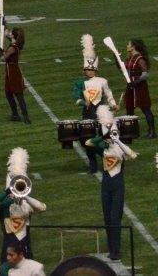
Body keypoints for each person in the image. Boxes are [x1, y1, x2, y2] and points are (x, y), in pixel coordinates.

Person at [85, 105, 137, 261]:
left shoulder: (121, 150)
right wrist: (103, 136)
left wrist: (117, 140)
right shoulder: (104, 148)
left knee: (115, 218)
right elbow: (88, 143)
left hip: (117, 185)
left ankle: (116, 250)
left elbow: (132, 155)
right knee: (107, 219)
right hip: (106, 185)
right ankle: (111, 248)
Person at [0, 148, 46, 264]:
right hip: (9, 247)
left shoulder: (27, 205)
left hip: (25, 246)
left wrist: (25, 197)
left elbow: (42, 207)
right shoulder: (4, 204)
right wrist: (7, 192)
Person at [74, 34, 117, 174]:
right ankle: (92, 164)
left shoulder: (102, 81)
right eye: (88, 69)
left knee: (105, 138)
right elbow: (76, 98)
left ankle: (107, 159)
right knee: (87, 140)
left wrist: (113, 104)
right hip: (88, 114)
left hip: (102, 113)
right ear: (84, 70)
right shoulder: (79, 83)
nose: (90, 71)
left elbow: (109, 94)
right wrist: (83, 102)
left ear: (96, 70)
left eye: (92, 70)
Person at [123, 39, 155, 138]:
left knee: (145, 108)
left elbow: (145, 75)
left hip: (140, 87)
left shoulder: (139, 59)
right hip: (131, 86)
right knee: (129, 108)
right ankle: (132, 131)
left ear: (133, 47)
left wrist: (136, 82)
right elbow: (123, 68)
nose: (127, 46)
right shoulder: (130, 57)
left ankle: (152, 132)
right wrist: (116, 57)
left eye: (128, 44)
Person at [0, 27, 28, 123]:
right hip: (10, 71)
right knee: (9, 93)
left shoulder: (12, 48)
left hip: (13, 72)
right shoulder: (15, 44)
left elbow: (3, 58)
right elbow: (7, 35)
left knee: (18, 94)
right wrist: (4, 25)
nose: (9, 33)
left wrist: (1, 54)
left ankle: (24, 115)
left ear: (13, 36)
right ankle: (15, 114)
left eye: (11, 32)